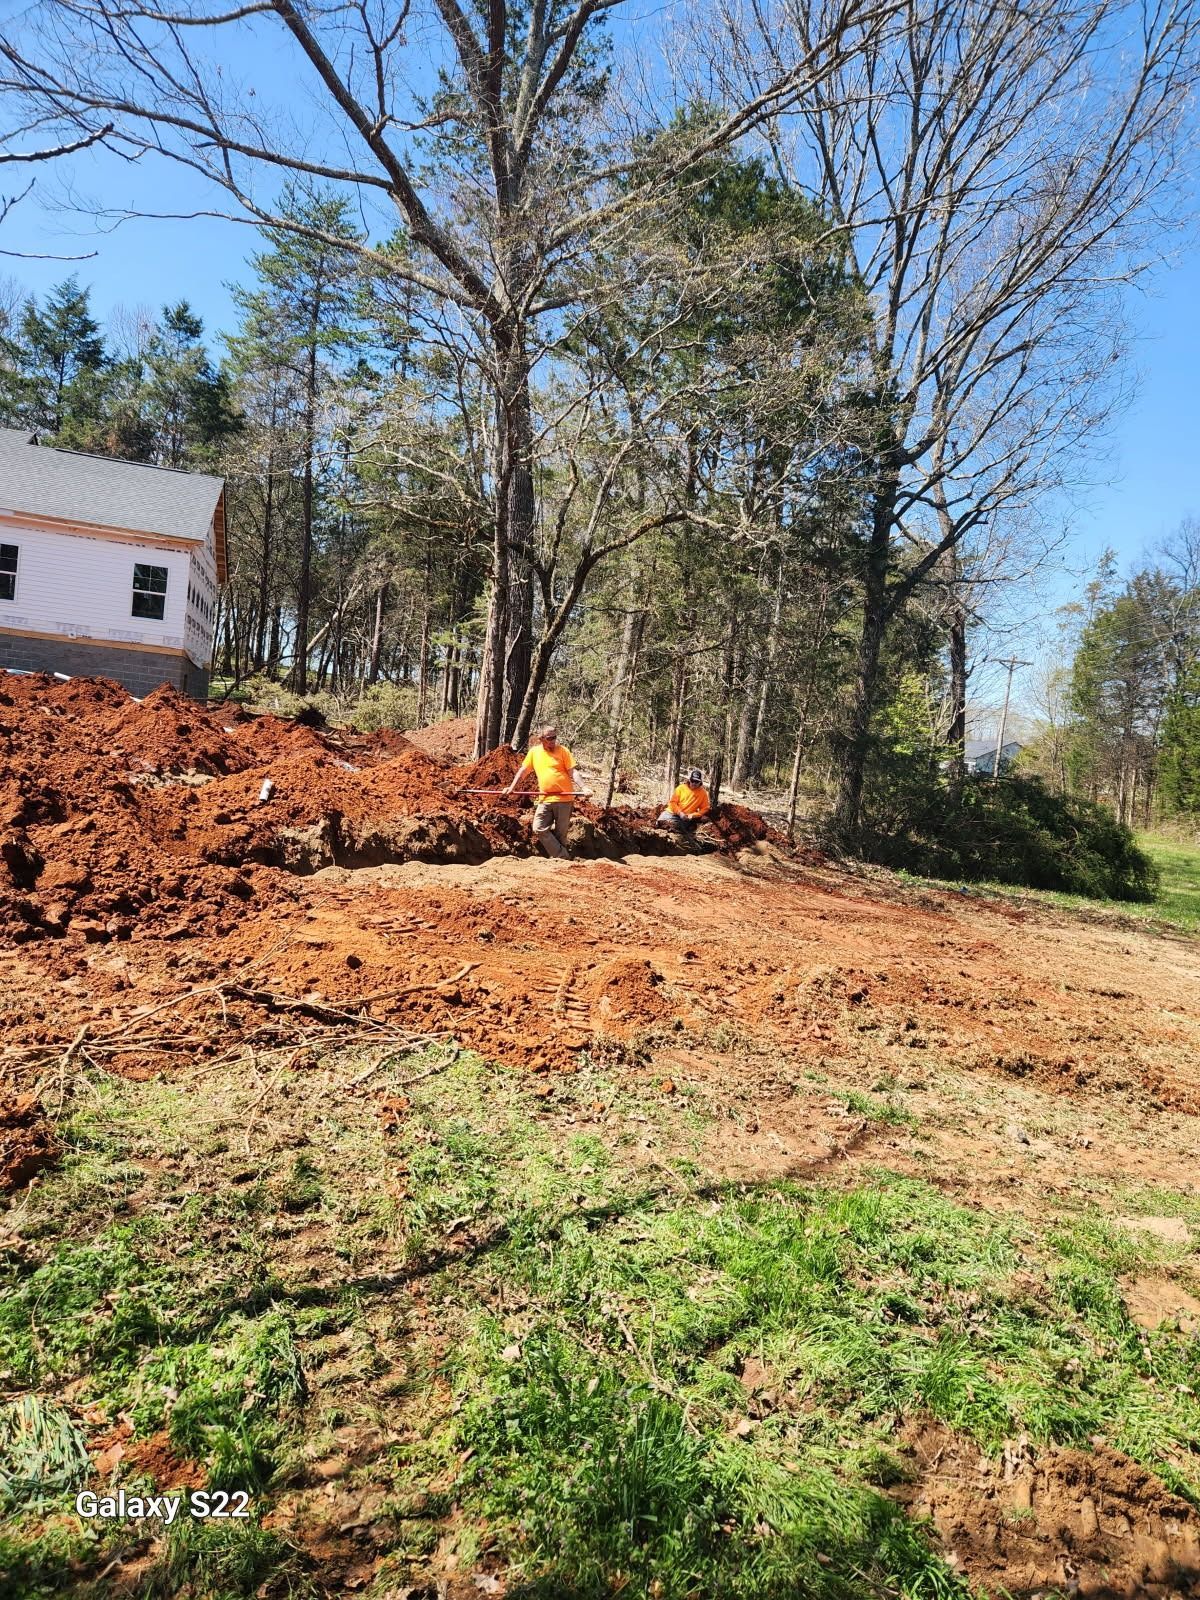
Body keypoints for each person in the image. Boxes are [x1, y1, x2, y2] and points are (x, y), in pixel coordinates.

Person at [503, 726, 585, 859]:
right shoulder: (534, 753)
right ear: (541, 739)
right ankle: (563, 857)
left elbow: (573, 772)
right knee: (538, 828)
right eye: (549, 738)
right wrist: (512, 787)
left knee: (560, 835)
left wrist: (584, 787)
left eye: (555, 737)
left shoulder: (563, 751)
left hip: (564, 800)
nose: (553, 741)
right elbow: (523, 771)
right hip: (545, 799)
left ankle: (560, 864)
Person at [659, 767, 711, 850]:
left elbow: (705, 808)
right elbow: (672, 802)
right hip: (671, 813)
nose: (694, 783)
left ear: (700, 782)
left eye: (696, 781)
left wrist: (693, 815)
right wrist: (680, 813)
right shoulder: (681, 788)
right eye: (692, 780)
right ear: (689, 779)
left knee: (678, 828)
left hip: (685, 818)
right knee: (660, 822)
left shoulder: (703, 793)